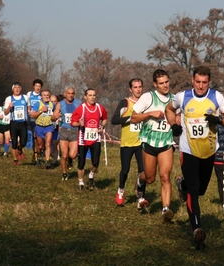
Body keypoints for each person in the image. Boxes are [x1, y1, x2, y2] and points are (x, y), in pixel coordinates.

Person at [165, 65, 224, 249]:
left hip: (209, 151)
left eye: (204, 83)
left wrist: (219, 120)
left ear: (209, 82)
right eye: (197, 82)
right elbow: (169, 110)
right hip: (188, 150)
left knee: (201, 190)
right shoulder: (183, 96)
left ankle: (183, 186)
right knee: (194, 190)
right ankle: (197, 229)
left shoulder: (217, 97)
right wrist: (173, 125)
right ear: (192, 80)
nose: (200, 86)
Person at [130, 69, 175, 221]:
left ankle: (166, 209)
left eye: (167, 82)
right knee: (150, 178)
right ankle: (139, 180)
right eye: (161, 83)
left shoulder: (174, 100)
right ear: (155, 84)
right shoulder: (148, 97)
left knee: (165, 176)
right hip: (149, 142)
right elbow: (133, 118)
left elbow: (178, 119)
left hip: (166, 142)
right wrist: (150, 114)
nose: (165, 85)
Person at [111, 78, 146, 207]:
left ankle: (141, 198)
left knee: (143, 172)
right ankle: (121, 190)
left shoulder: (146, 102)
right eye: (135, 87)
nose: (138, 89)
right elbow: (114, 120)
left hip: (141, 143)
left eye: (140, 87)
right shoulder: (125, 103)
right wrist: (130, 119)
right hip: (127, 143)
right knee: (125, 170)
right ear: (130, 89)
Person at [71, 88, 107, 190]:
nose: (92, 97)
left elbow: (104, 119)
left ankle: (91, 175)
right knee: (81, 162)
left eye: (94, 95)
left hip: (96, 138)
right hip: (83, 139)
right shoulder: (81, 108)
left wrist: (102, 126)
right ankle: (81, 182)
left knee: (95, 162)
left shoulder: (100, 108)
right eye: (90, 95)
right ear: (85, 97)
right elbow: (73, 122)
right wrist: (79, 123)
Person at [52, 87, 81, 180]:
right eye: (68, 93)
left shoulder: (78, 103)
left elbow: (83, 115)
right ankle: (64, 173)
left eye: (72, 93)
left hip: (74, 131)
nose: (70, 95)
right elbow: (52, 118)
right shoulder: (60, 104)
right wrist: (55, 116)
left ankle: (70, 160)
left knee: (72, 155)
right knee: (64, 155)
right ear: (65, 94)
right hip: (64, 130)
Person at [4, 82, 31, 165]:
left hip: (23, 123)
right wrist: (9, 107)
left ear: (21, 89)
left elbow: (28, 108)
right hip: (13, 123)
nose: (17, 89)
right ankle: (15, 160)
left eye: (18, 87)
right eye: (15, 88)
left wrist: (29, 112)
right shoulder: (9, 98)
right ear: (13, 89)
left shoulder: (25, 98)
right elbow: (5, 112)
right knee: (14, 142)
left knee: (23, 142)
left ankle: (20, 148)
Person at [30, 89, 55, 169]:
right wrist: (41, 110)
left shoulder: (52, 105)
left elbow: (56, 113)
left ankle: (47, 162)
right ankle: (40, 157)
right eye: (44, 95)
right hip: (39, 126)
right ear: (41, 96)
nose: (46, 97)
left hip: (49, 126)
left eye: (47, 95)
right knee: (40, 146)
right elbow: (32, 115)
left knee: (48, 144)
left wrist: (56, 116)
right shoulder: (38, 104)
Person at [27, 79, 43, 163]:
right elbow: (27, 105)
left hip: (40, 118)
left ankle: (39, 152)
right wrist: (29, 112)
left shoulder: (42, 96)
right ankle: (35, 153)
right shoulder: (29, 94)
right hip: (32, 119)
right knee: (34, 136)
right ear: (33, 86)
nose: (38, 88)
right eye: (36, 86)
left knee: (38, 137)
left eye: (39, 86)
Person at [50, 94, 62, 167]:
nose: (54, 103)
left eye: (55, 101)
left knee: (60, 143)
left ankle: (64, 157)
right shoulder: (49, 108)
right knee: (54, 143)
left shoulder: (60, 108)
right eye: (52, 101)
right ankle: (55, 159)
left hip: (60, 127)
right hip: (52, 127)